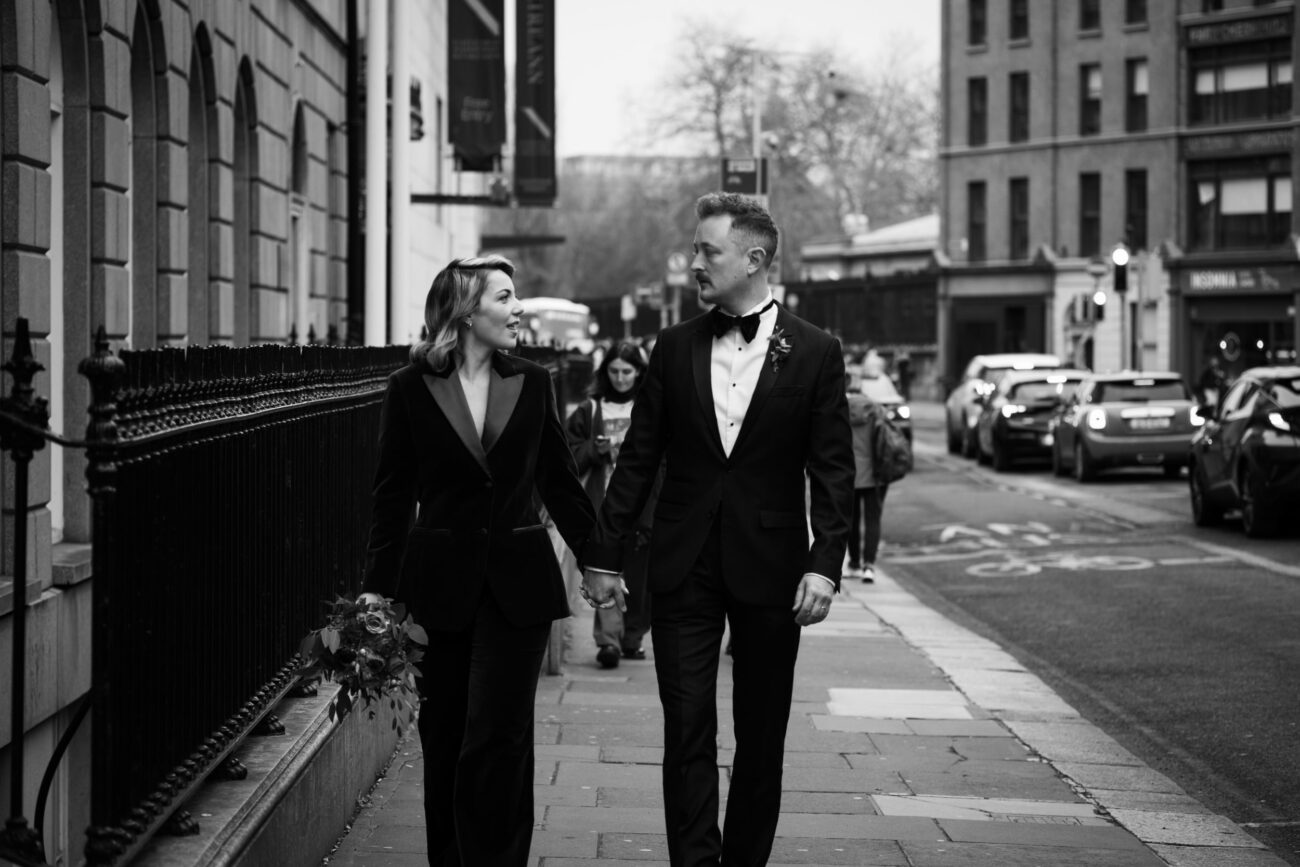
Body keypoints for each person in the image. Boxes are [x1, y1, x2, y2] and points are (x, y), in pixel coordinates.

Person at [581, 192, 855, 866]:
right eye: (696, 249)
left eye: (709, 250)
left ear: (755, 258)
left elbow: (834, 469)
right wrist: (605, 557)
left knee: (762, 739)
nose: (695, 261)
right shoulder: (671, 349)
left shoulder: (816, 351)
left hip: (774, 569)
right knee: (688, 730)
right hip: (684, 564)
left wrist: (825, 563)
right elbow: (638, 459)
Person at [359, 255, 596, 866]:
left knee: (500, 736)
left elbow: (561, 482)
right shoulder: (410, 387)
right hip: (439, 587)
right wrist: (376, 591)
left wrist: (602, 561)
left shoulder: (534, 381)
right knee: (445, 739)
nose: (518, 309)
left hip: (518, 587)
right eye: (506, 298)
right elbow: (392, 495)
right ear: (466, 313)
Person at [565, 341, 658, 669]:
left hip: (644, 505)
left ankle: (632, 636)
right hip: (601, 504)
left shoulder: (651, 407)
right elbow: (568, 455)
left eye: (627, 372)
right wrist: (597, 449)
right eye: (614, 371)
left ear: (639, 373)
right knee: (606, 566)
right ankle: (608, 642)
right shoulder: (590, 410)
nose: (620, 378)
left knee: (641, 574)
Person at [845, 377, 890, 583]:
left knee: (851, 521)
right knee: (872, 520)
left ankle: (854, 562)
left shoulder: (840, 408)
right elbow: (886, 439)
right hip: (874, 474)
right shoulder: (875, 410)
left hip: (849, 474)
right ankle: (869, 566)